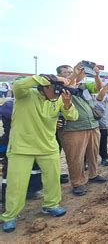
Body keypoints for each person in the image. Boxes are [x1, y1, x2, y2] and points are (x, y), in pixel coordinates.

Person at [1, 74, 78, 232]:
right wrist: (47, 78)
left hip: (48, 147)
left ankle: (51, 205)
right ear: (45, 86)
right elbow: (18, 86)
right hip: (21, 148)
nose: (58, 93)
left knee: (52, 179)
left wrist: (67, 103)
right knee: (16, 183)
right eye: (55, 88)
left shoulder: (58, 100)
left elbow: (73, 116)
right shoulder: (26, 95)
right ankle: (10, 215)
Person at [60, 63, 107, 196]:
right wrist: (74, 73)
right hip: (73, 128)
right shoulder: (59, 88)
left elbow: (99, 87)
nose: (70, 74)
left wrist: (97, 75)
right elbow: (66, 83)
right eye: (65, 73)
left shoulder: (83, 87)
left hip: (92, 125)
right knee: (75, 157)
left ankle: (93, 174)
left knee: (93, 153)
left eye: (71, 71)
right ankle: (77, 182)